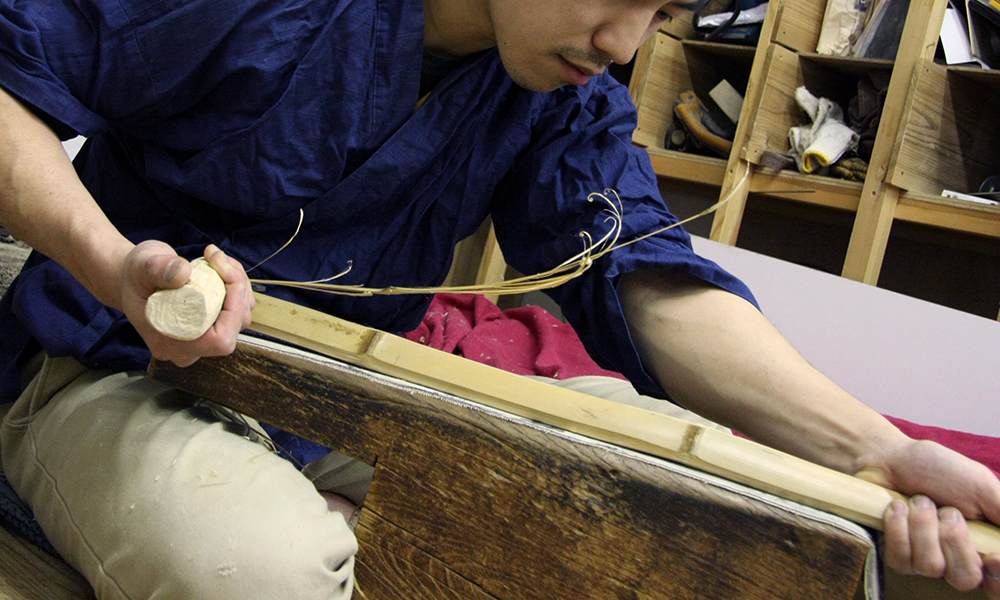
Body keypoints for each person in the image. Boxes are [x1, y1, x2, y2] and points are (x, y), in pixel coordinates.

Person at [0, 0, 997, 597]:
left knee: (689, 499)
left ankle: (338, 507)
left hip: (341, 387)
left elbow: (639, 273)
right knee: (260, 572)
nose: (620, 40)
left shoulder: (562, 92)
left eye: (660, 16)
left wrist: (871, 450)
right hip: (111, 359)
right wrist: (110, 261)